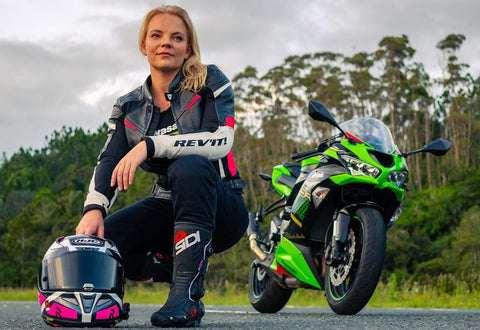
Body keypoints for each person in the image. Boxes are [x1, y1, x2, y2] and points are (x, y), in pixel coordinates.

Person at [75, 5, 248, 328]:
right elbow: (109, 159)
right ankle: (166, 268)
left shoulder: (210, 81)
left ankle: (186, 295)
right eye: (156, 35)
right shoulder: (129, 106)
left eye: (176, 37)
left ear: (188, 49)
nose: (165, 43)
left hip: (221, 207)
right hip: (167, 207)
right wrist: (93, 208)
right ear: (144, 45)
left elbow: (220, 140)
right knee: (104, 241)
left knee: (189, 167)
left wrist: (151, 145)